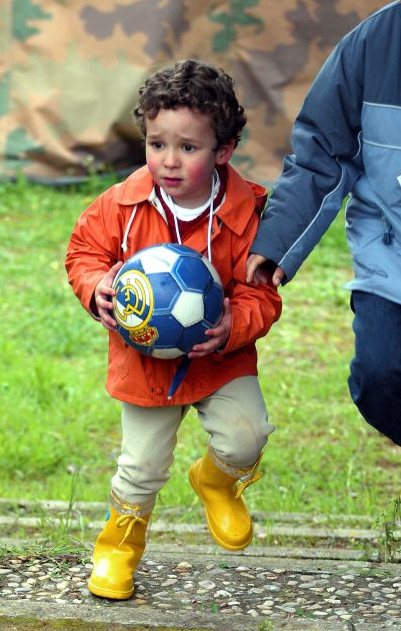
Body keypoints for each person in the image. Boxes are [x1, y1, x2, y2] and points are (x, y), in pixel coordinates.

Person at [65, 59, 281, 600]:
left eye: (187, 148)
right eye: (157, 143)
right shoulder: (122, 205)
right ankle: (118, 547)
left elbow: (263, 292)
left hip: (220, 357)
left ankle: (215, 481)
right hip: (145, 365)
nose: (168, 160)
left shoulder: (249, 212)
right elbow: (82, 252)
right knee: (140, 467)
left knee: (247, 437)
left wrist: (234, 323)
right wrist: (97, 288)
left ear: (223, 151)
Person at [247, 1, 401, 447]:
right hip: (391, 253)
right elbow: (321, 156)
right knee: (378, 379)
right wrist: (278, 239)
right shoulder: (369, 46)